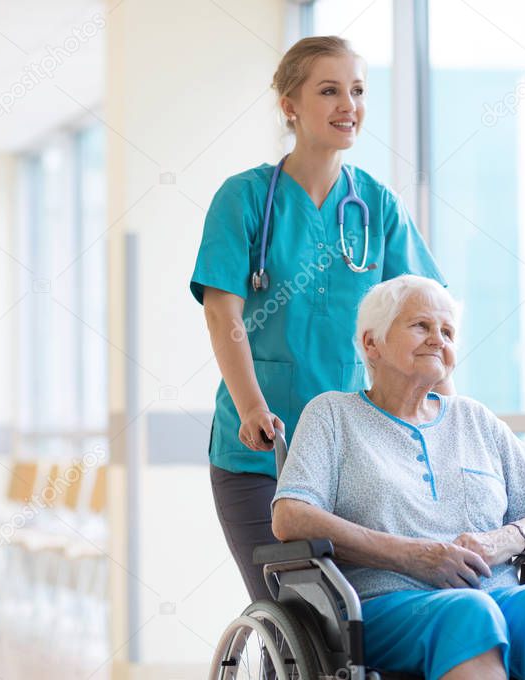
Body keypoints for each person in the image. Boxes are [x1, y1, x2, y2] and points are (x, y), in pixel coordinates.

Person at [190, 36, 447, 602]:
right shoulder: (246, 199)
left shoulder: (376, 205)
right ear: (290, 105)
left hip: (359, 451)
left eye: (357, 91)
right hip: (262, 449)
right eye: (329, 90)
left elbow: (426, 319)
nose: (347, 105)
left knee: (369, 614)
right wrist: (253, 406)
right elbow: (221, 311)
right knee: (298, 610)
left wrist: (444, 417)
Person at [272, 275, 525, 680]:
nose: (438, 339)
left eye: (447, 331)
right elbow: (290, 515)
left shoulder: (474, 419)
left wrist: (505, 540)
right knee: (470, 610)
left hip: (497, 594)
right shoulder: (333, 415)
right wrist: (413, 555)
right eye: (420, 326)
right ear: (372, 343)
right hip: (386, 605)